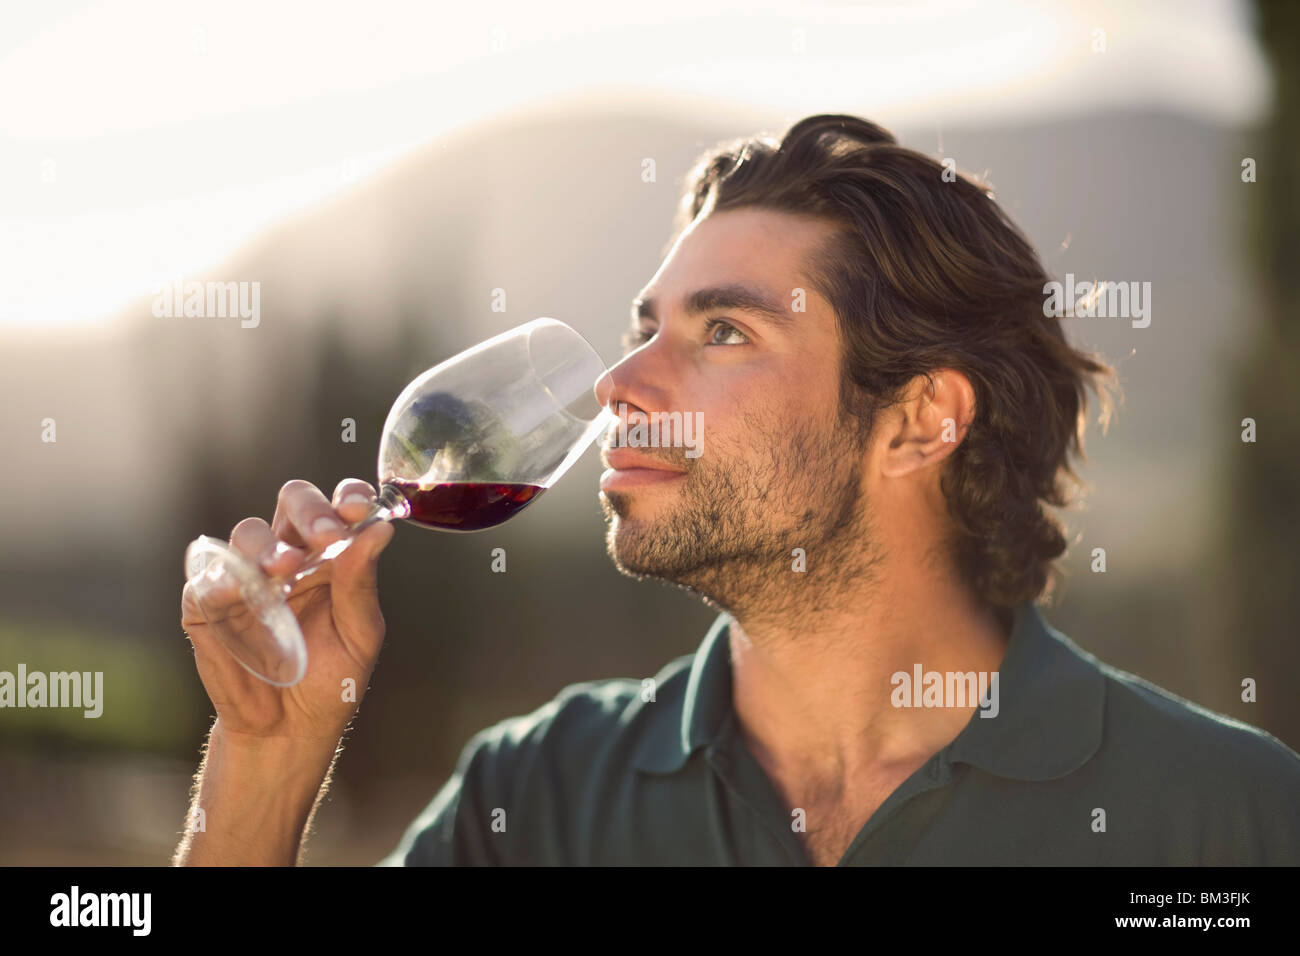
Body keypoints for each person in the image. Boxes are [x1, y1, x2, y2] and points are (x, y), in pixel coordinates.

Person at [173, 114, 1300, 866]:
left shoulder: (1228, 820)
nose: (617, 385)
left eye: (721, 330)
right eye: (642, 328)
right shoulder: (542, 798)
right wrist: (270, 767)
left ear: (917, 420)